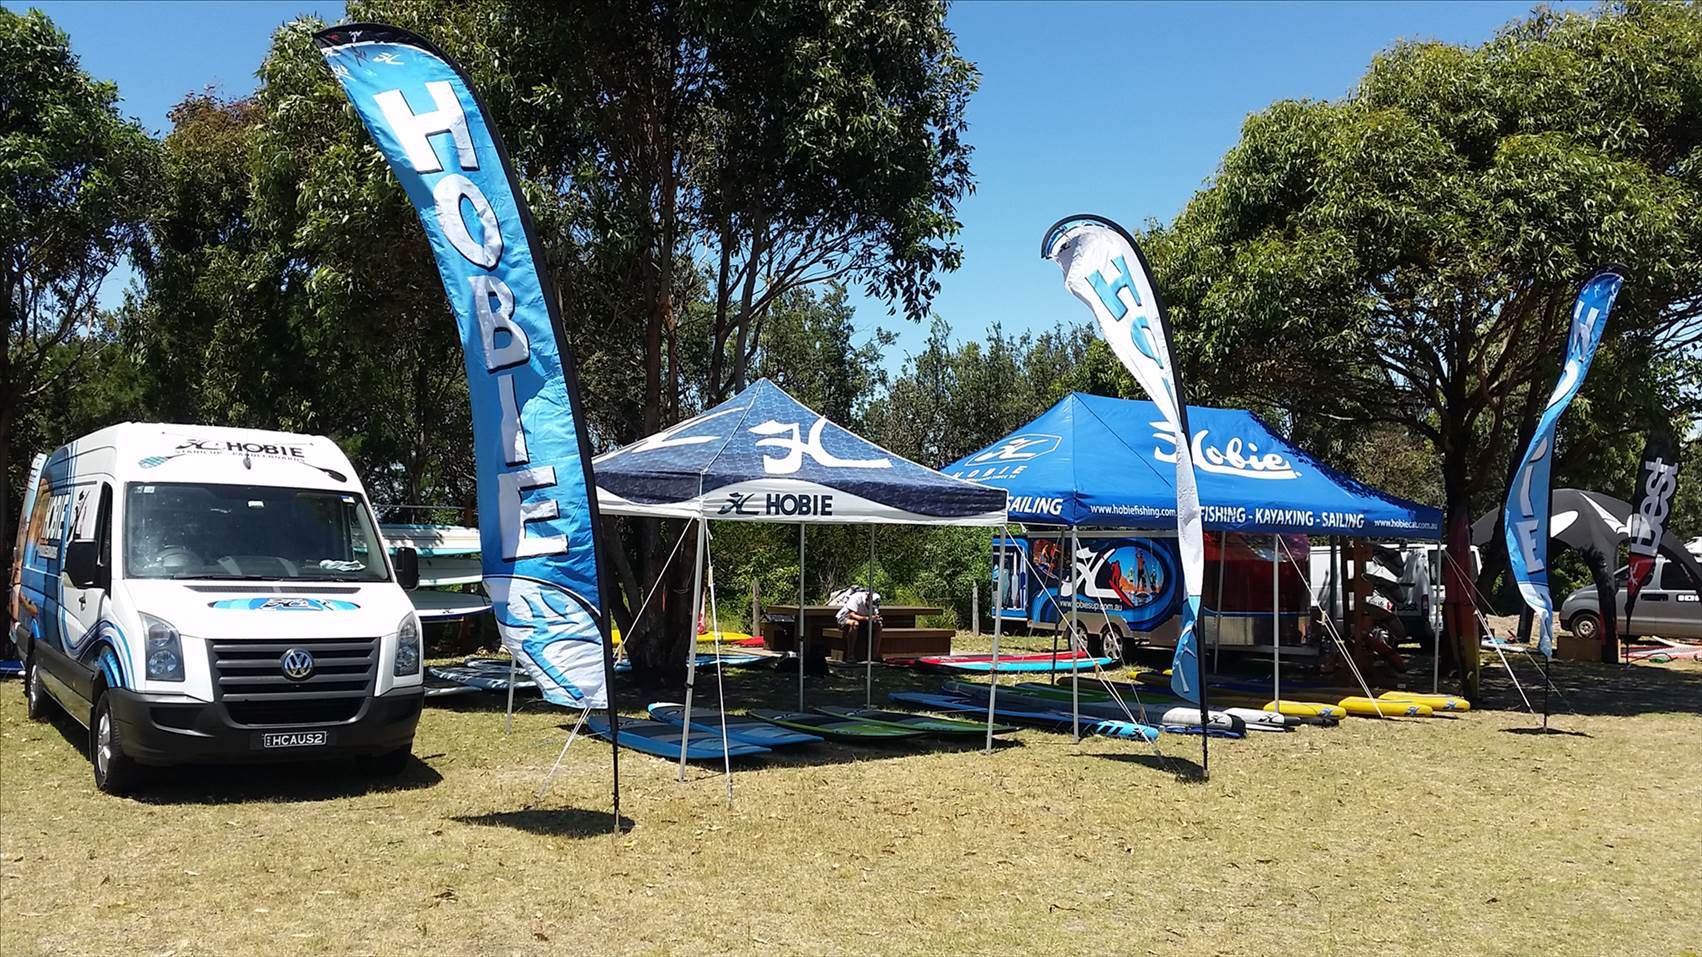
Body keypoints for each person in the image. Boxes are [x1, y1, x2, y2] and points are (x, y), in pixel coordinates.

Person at [834, 585, 882, 662]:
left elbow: (875, 614)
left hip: (863, 621)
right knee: (855, 624)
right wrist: (867, 618)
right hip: (845, 618)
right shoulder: (856, 597)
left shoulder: (875, 603)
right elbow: (851, 614)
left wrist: (876, 618)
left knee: (878, 626)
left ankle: (875, 655)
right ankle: (850, 655)